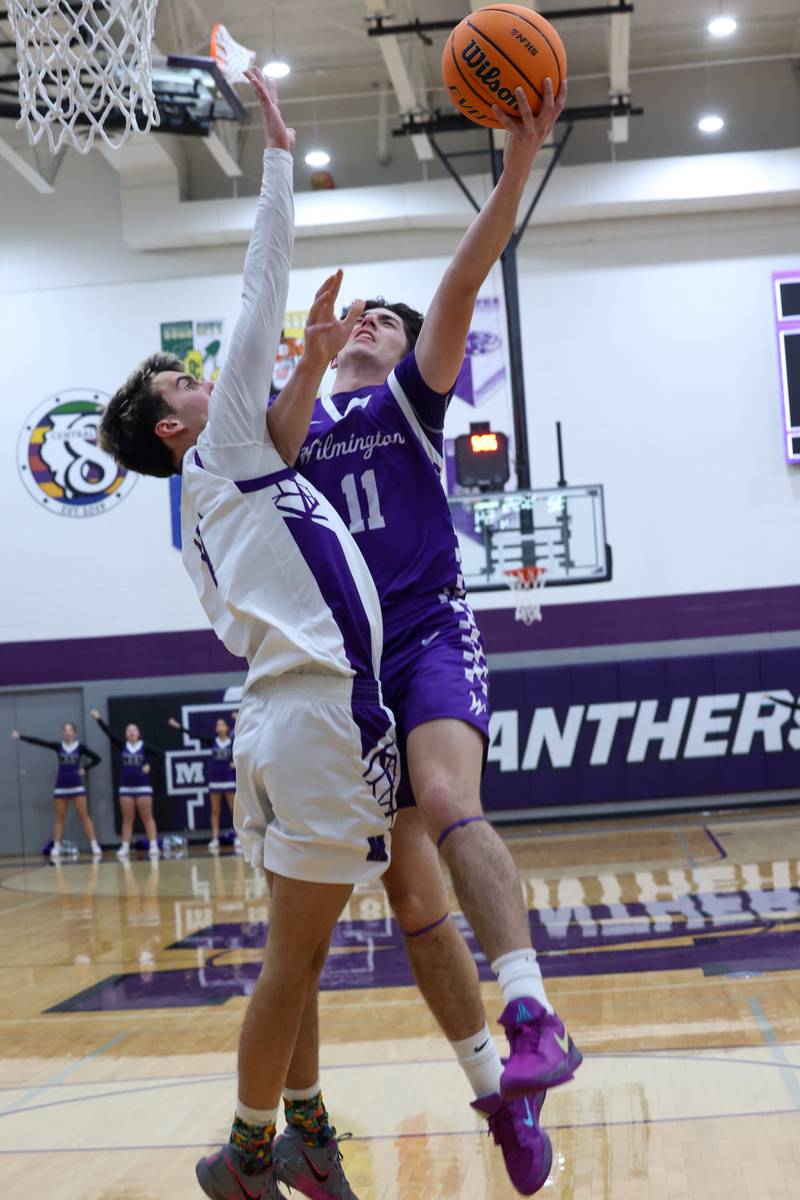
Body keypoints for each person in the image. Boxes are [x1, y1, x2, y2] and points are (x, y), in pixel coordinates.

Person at [268, 79, 579, 1195]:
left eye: (388, 322)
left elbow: (459, 280)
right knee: (407, 909)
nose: (376, 324)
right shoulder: (290, 421)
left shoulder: (405, 403)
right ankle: (496, 1093)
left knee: (452, 807)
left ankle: (532, 1003)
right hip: (337, 675)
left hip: (425, 630)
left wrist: (508, 176)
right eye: (364, 317)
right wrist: (301, 350)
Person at [97, 70, 397, 1200]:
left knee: (300, 957)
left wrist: (313, 359)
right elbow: (257, 279)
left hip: (283, 717)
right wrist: (276, 151)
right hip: (313, 713)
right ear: (180, 422)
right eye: (194, 381)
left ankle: (306, 1132)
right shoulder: (210, 451)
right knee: (296, 963)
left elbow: (277, 434)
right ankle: (247, 1148)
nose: (212, 378)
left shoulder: (217, 481)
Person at [11, 723, 102, 859]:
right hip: (61, 786)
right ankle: (57, 847)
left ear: (74, 733)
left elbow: (97, 758)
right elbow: (40, 742)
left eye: (70, 730)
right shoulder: (59, 746)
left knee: (84, 816)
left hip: (76, 786)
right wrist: (21, 737)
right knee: (60, 818)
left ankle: (94, 845)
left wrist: (85, 769)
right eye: (65, 730)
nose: (67, 732)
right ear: (62, 733)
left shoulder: (80, 747)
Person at [90, 710, 163, 860]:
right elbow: (109, 733)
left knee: (147, 817)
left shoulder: (144, 746)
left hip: (143, 787)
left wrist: (150, 765)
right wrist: (98, 719)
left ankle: (154, 845)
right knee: (127, 818)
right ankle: (125, 846)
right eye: (129, 730)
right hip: (126, 788)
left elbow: (161, 754)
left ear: (139, 733)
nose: (131, 732)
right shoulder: (122, 745)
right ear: (125, 734)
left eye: (134, 730)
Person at [167, 712, 239, 851]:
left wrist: (235, 763)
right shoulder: (212, 741)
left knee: (234, 811)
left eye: (222, 725)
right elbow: (193, 734)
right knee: (215, 810)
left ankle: (238, 837)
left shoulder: (234, 741)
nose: (220, 727)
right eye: (218, 725)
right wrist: (179, 727)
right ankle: (215, 838)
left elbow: (244, 745)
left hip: (229, 780)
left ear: (227, 728)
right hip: (215, 781)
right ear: (215, 729)